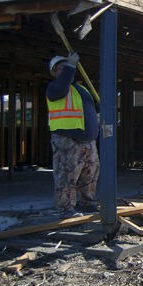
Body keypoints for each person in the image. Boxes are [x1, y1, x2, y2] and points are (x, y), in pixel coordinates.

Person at [46, 52, 100, 218]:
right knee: (67, 174)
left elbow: (92, 109)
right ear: (55, 72)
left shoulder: (81, 89)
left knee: (90, 173)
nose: (67, 69)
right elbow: (62, 86)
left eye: (67, 66)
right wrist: (70, 66)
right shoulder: (55, 88)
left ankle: (87, 202)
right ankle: (65, 207)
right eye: (62, 68)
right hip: (66, 139)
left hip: (87, 140)